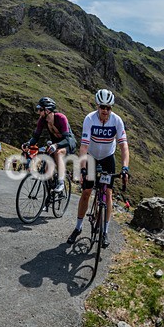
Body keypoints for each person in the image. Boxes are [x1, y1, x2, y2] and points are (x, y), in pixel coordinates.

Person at [67, 89, 129, 248]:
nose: (105, 111)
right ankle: (78, 228)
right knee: (87, 192)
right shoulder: (90, 119)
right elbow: (83, 147)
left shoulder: (117, 121)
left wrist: (125, 168)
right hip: (92, 157)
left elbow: (124, 147)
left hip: (108, 158)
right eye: (102, 107)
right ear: (97, 106)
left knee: (108, 194)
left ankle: (105, 232)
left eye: (109, 108)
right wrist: (82, 169)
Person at [22, 96, 76, 193]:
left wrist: (56, 146)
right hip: (55, 144)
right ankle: (48, 197)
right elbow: (36, 136)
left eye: (40, 109)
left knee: (58, 153)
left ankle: (61, 182)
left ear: (47, 110)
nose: (38, 112)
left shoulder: (61, 118)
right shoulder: (42, 120)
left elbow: (67, 139)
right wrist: (28, 144)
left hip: (67, 143)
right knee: (47, 169)